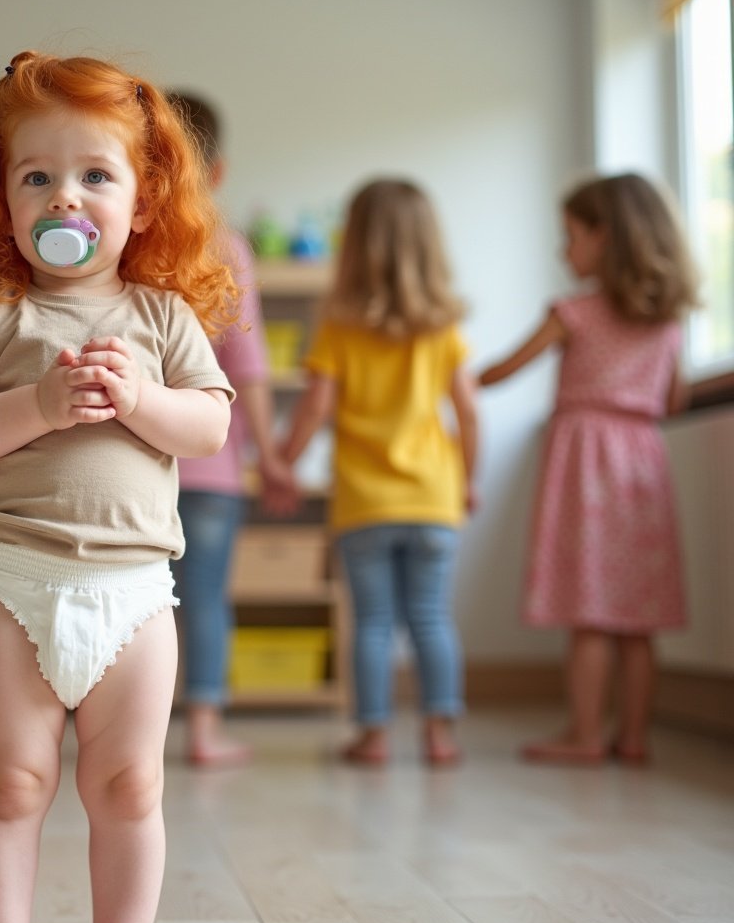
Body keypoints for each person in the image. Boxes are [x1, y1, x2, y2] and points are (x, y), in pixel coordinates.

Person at [0, 51, 238, 923]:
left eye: (95, 174)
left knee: (129, 784)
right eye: (37, 177)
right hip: (16, 581)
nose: (65, 197)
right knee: (10, 782)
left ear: (143, 199)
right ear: (2, 199)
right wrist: (40, 404)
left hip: (133, 592)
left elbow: (207, 426)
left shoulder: (163, 316)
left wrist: (142, 399)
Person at [478, 173, 696, 766]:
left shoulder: (574, 312)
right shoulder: (668, 320)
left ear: (605, 238)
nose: (562, 249)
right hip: (643, 460)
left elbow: (503, 370)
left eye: (570, 235)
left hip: (585, 460)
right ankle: (633, 737)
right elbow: (673, 400)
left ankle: (582, 735)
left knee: (590, 611)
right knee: (638, 616)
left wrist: (458, 381)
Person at [280, 178, 477, 767]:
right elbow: (468, 410)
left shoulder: (338, 326)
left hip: (365, 502)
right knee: (431, 617)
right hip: (434, 498)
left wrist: (281, 465)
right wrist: (469, 478)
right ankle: (440, 735)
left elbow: (313, 407)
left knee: (372, 622)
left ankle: (374, 737)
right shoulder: (442, 327)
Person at [165, 91, 297, 767]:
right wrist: (270, 457)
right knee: (206, 600)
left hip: (140, 462)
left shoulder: (132, 240)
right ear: (218, 173)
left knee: (132, 603)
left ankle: (125, 731)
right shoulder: (226, 247)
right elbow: (248, 366)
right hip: (214, 465)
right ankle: (206, 729)